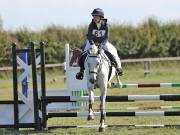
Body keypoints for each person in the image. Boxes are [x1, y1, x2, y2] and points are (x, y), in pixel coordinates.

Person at [76, 8, 123, 80]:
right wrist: (92, 44)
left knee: (112, 52)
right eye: (94, 16)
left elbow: (106, 37)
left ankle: (118, 68)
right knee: (84, 53)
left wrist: (101, 45)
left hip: (103, 42)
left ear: (101, 17)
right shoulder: (91, 25)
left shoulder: (106, 25)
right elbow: (89, 36)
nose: (94, 18)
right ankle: (81, 71)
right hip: (92, 42)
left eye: (96, 16)